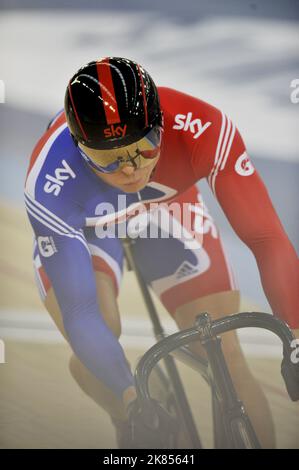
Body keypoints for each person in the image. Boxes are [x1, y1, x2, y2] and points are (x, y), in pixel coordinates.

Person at [24, 57, 298, 448]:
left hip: (165, 203)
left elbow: (267, 238)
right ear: (80, 149)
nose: (131, 169)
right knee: (102, 330)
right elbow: (80, 312)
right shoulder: (50, 184)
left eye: (144, 147)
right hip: (86, 224)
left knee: (223, 350)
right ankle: (134, 410)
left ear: (161, 125)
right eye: (109, 158)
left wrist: (296, 337)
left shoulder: (203, 127)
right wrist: (131, 399)